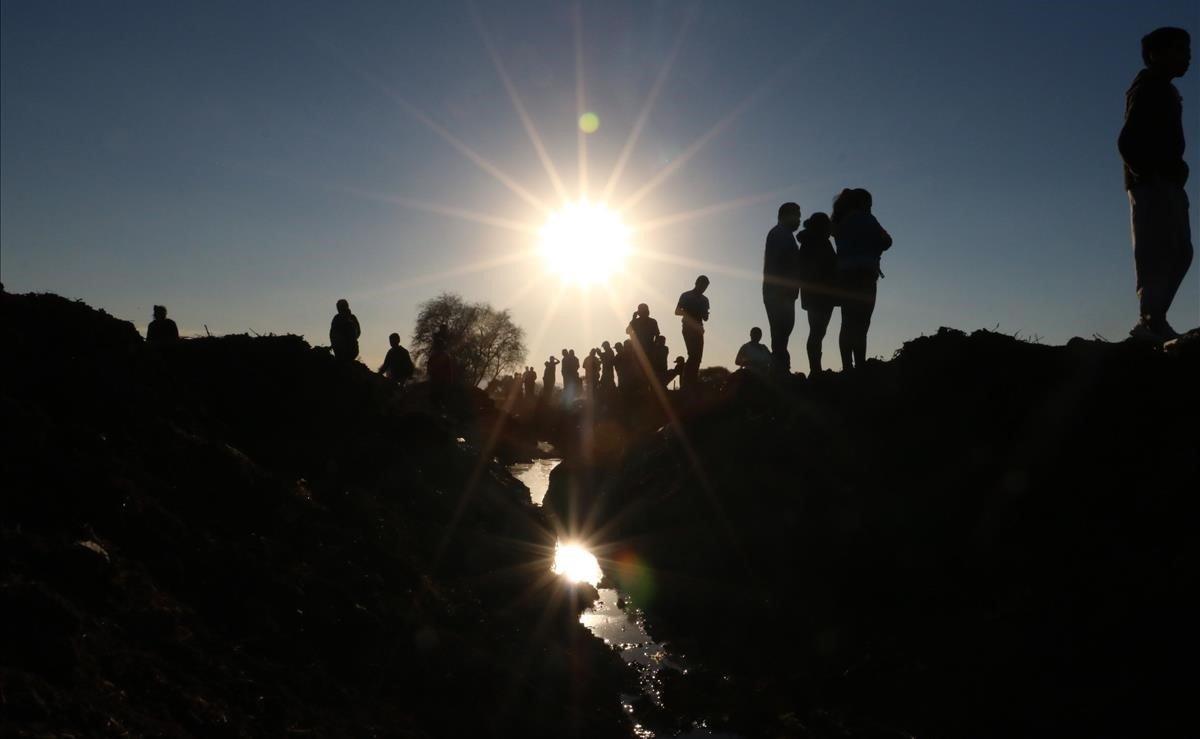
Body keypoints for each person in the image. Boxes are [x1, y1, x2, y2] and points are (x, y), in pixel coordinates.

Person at [1119, 27, 1193, 342]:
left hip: (1166, 181)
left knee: (1179, 251)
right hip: (1153, 183)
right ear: (1156, 55)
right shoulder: (1149, 87)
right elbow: (1127, 141)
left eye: (1187, 50)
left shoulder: (1163, 89)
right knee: (1158, 251)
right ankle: (1149, 323)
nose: (1188, 57)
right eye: (1179, 50)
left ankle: (1154, 319)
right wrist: (1151, 174)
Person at [832, 188, 892, 371]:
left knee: (847, 322)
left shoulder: (839, 221)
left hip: (844, 276)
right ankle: (860, 366)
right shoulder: (867, 219)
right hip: (865, 276)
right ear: (864, 203)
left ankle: (847, 366)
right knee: (862, 324)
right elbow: (887, 241)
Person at [763, 203, 802, 372]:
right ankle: (779, 370)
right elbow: (784, 262)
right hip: (779, 292)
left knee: (781, 333)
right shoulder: (780, 234)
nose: (799, 220)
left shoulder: (783, 234)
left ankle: (779, 369)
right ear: (785, 215)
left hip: (780, 291)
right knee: (781, 332)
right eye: (796, 215)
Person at [796, 212, 838, 373]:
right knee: (817, 332)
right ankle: (815, 369)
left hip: (812, 294)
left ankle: (815, 368)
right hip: (821, 294)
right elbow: (829, 265)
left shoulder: (808, 242)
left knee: (817, 331)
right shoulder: (819, 242)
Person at [675, 275, 710, 390]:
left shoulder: (705, 300)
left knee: (698, 357)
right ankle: (686, 382)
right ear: (696, 283)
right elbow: (677, 311)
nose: (703, 288)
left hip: (699, 329)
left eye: (705, 287)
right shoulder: (686, 296)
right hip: (688, 328)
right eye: (702, 285)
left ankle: (692, 381)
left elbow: (706, 317)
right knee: (693, 355)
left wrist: (704, 313)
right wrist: (690, 312)